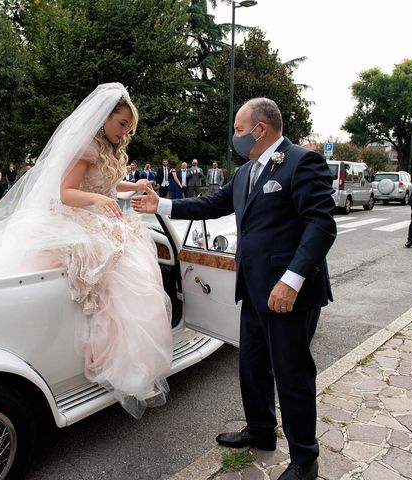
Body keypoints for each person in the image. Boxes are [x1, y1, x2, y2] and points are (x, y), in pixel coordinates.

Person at [132, 97, 336, 480]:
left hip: (288, 294)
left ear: (260, 129)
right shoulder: (246, 172)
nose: (235, 137)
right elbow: (214, 203)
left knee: (291, 375)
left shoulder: (301, 162)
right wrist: (161, 205)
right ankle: (261, 431)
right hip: (253, 290)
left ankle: (305, 459)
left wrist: (291, 281)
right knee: (253, 367)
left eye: (239, 130)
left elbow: (321, 226)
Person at [0, 83, 172, 418]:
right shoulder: (87, 147)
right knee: (121, 282)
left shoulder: (109, 148)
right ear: (105, 118)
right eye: (122, 124)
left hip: (101, 218)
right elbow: (67, 192)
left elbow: (107, 183)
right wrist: (99, 200)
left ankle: (130, 364)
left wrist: (131, 186)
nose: (125, 132)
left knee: (139, 277)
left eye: (129, 127)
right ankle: (108, 360)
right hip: (77, 219)